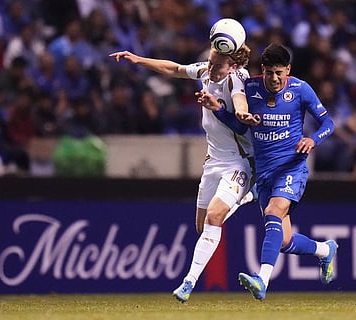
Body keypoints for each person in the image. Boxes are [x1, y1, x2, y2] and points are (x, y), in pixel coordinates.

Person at [109, 39, 256, 303]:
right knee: (202, 227)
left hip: (238, 162)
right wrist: (138, 59)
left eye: (218, 65)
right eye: (210, 63)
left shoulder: (236, 81)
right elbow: (174, 69)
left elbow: (241, 112)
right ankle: (246, 197)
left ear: (232, 65)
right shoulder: (205, 72)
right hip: (213, 162)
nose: (211, 69)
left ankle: (188, 282)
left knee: (214, 217)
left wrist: (234, 112)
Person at [236, 43, 338, 301]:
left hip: (292, 168)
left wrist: (313, 139)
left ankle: (262, 281)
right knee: (283, 241)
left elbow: (329, 122)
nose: (274, 78)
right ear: (262, 70)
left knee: (273, 212)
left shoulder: (300, 89)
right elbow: (235, 123)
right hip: (265, 173)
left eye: (279, 72)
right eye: (269, 72)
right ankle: (325, 250)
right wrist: (217, 108)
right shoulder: (250, 88)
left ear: (288, 70)